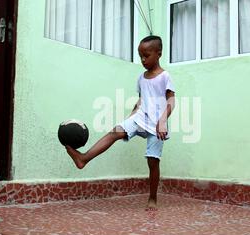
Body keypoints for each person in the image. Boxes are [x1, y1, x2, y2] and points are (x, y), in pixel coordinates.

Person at [66, 35, 176, 210]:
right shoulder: (141, 78)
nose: (143, 60)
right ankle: (83, 159)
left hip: (157, 124)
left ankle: (153, 198)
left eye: (146, 55)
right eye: (140, 56)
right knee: (114, 132)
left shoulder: (165, 76)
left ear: (159, 54)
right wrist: (130, 118)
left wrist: (163, 121)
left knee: (152, 161)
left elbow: (171, 101)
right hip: (140, 118)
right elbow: (141, 101)